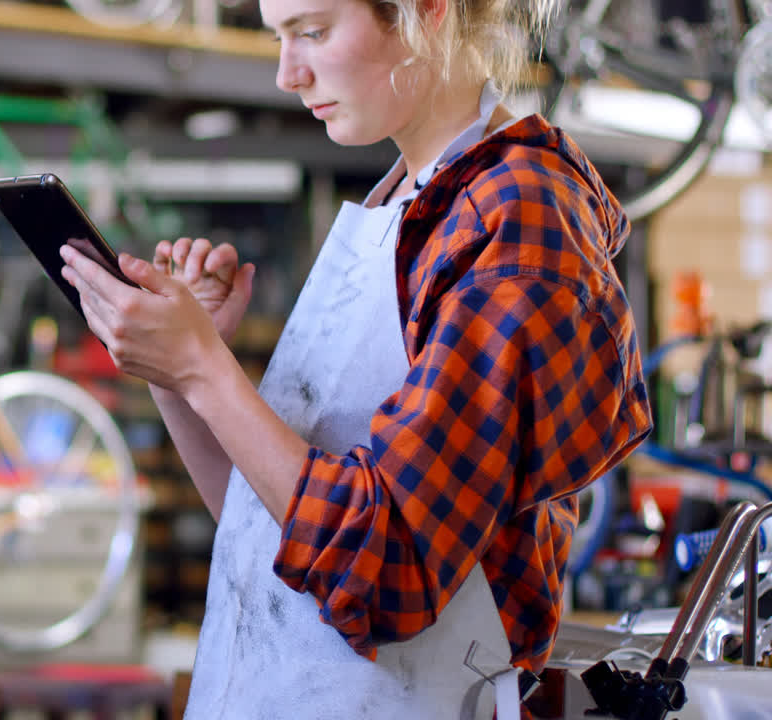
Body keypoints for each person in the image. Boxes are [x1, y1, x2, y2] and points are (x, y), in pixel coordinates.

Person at [59, 0, 652, 717]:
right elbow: (267, 532)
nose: (287, 73)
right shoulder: (402, 199)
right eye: (279, 37)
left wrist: (202, 370)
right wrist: (181, 367)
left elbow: (386, 568)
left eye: (311, 31)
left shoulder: (518, 221)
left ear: (425, 11)